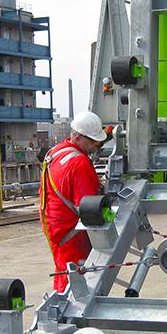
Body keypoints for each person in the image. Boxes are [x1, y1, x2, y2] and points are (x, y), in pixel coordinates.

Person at [39, 111, 105, 292]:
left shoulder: (56, 152)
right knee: (75, 281)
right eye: (92, 141)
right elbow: (88, 207)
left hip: (54, 225)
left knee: (64, 271)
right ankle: (69, 316)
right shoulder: (80, 163)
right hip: (71, 232)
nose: (96, 145)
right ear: (77, 137)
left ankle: (60, 309)